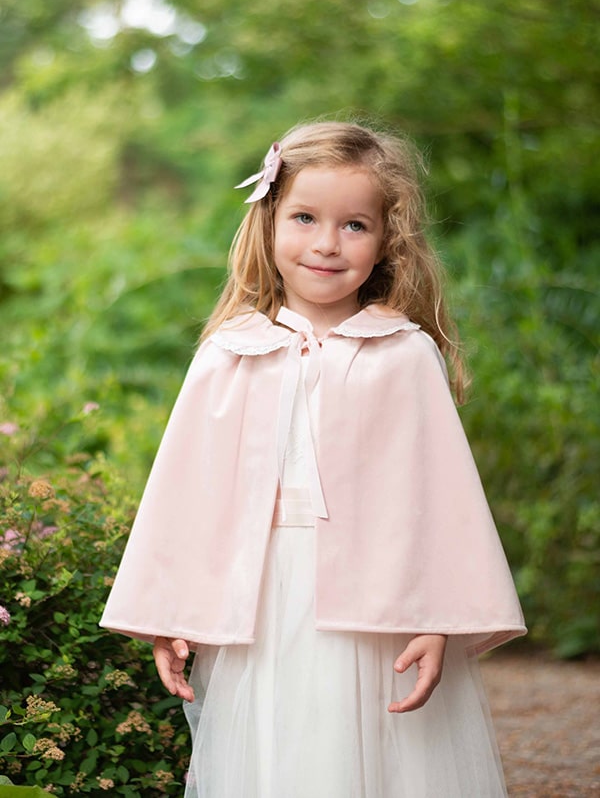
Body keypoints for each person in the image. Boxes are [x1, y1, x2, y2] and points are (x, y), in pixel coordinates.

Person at [100, 121, 526, 797]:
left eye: (354, 225)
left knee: (377, 766)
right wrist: (170, 614)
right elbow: (186, 493)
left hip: (377, 614)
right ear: (269, 222)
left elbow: (440, 500)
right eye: (304, 217)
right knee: (275, 762)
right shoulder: (229, 354)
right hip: (260, 609)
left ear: (386, 240)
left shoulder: (404, 355)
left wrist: (438, 617)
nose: (327, 243)